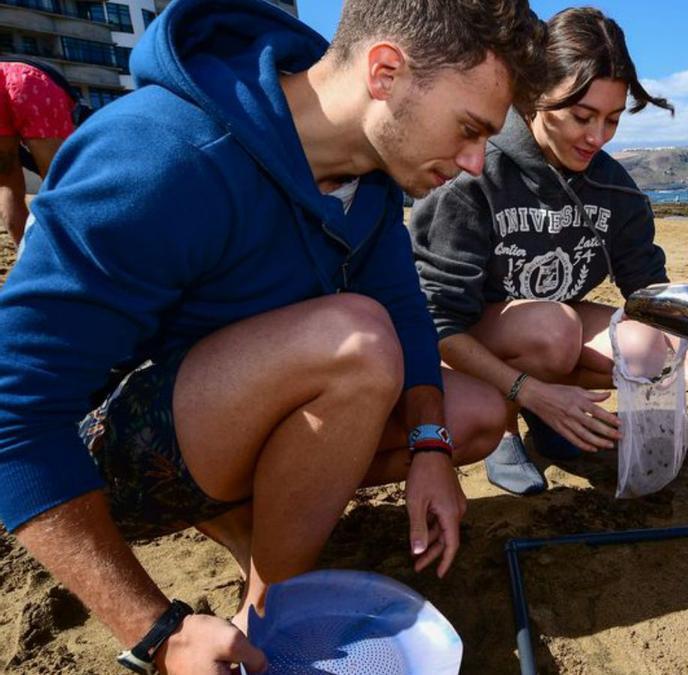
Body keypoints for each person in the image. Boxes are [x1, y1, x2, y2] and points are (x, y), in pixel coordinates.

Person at [0, 0, 544, 672]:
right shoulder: (163, 155)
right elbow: (13, 416)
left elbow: (405, 307)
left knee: (475, 413)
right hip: (103, 456)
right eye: (469, 129)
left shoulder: (369, 178)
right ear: (385, 72)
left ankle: (255, 557)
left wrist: (429, 442)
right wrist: (156, 632)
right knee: (357, 342)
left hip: (224, 411)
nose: (473, 162)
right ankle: (270, 615)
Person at [410, 7, 688, 496]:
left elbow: (650, 291)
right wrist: (528, 389)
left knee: (649, 347)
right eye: (581, 116)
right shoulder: (472, 175)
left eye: (612, 120)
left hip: (550, 325)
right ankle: (509, 426)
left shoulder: (614, 186)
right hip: (466, 340)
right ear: (532, 96)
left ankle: (549, 414)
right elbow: (435, 322)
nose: (597, 137)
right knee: (553, 329)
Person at [0, 58, 82, 246]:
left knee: (7, 187)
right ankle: (72, 252)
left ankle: (27, 257)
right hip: (31, 81)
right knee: (59, 180)